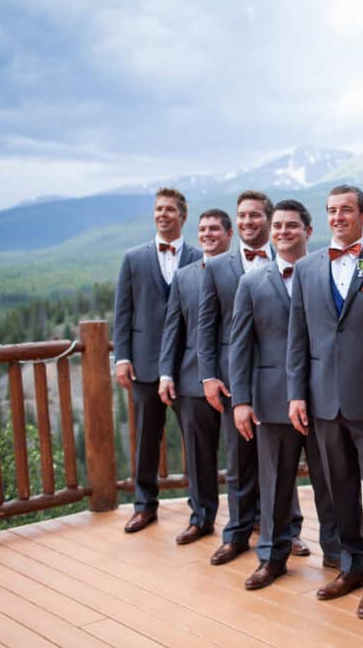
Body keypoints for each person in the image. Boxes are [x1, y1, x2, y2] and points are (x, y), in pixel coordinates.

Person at [286, 184, 363, 619]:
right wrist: (296, 395)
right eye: (332, 211)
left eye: (346, 210)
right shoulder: (306, 269)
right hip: (323, 402)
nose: (338, 217)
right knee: (337, 492)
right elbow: (297, 339)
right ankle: (352, 566)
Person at [229, 199, 341, 589]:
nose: (282, 232)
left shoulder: (328, 273)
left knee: (331, 479)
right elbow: (240, 346)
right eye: (277, 226)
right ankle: (272, 557)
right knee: (274, 483)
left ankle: (338, 551)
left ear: (308, 231)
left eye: (291, 226)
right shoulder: (251, 282)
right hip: (272, 400)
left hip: (325, 396)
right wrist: (241, 401)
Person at [199, 191, 309, 565]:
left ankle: (289, 531)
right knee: (241, 462)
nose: (248, 222)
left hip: (298, 384)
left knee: (282, 466)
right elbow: (209, 328)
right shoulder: (217, 268)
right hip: (242, 382)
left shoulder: (307, 266)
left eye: (255, 216)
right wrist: (211, 376)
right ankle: (238, 533)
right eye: (241, 216)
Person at [114, 188, 202, 533]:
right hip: (145, 365)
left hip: (188, 365)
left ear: (183, 216)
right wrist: (122, 357)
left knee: (194, 440)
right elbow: (123, 312)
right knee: (146, 437)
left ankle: (201, 507)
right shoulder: (133, 258)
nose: (162, 214)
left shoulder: (199, 256)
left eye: (169, 209)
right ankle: (144, 505)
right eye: (158, 209)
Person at [157, 208, 233, 545]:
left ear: (228, 234)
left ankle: (259, 518)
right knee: (199, 454)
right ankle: (201, 518)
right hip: (190, 379)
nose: (207, 234)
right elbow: (173, 326)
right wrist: (165, 373)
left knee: (249, 456)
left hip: (234, 378)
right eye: (202, 229)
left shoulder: (241, 271)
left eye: (215, 229)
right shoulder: (184, 276)